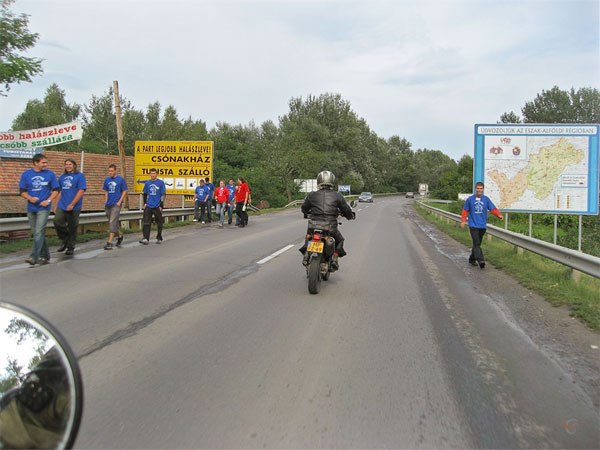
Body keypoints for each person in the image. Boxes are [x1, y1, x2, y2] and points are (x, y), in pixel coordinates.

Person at [299, 170, 354, 270]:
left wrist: (306, 213)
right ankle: (334, 258)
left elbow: (304, 208)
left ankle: (306, 254)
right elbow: (346, 209)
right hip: (330, 226)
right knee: (340, 240)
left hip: (313, 225)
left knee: (308, 237)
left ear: (319, 181)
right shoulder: (338, 195)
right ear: (332, 181)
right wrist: (350, 216)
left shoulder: (311, 195)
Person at [18, 153, 59, 265]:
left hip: (44, 208)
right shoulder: (26, 174)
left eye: (46, 162)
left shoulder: (50, 174)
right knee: (37, 233)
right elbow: (22, 191)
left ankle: (33, 257)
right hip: (31, 208)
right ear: (35, 163)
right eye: (43, 163)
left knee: (38, 232)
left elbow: (56, 190)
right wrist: (30, 198)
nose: (45, 165)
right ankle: (45, 255)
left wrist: (49, 200)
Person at [461, 181, 503, 269]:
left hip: (482, 225)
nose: (479, 190)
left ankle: (472, 259)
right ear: (475, 189)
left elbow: (492, 208)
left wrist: (498, 214)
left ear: (483, 189)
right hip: (473, 225)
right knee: (476, 243)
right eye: (478, 188)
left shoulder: (486, 199)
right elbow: (465, 210)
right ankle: (481, 260)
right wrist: (463, 221)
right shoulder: (470, 199)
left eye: (481, 189)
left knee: (477, 244)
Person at [52, 158, 87, 256]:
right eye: (66, 164)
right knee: (57, 221)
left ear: (74, 165)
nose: (68, 166)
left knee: (72, 226)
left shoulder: (79, 176)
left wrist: (72, 204)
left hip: (74, 206)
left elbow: (81, 191)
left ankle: (70, 246)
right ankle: (65, 240)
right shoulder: (62, 177)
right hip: (62, 204)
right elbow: (59, 192)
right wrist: (55, 205)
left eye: (70, 164)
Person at [102, 164, 128, 250]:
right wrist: (105, 201)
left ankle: (110, 242)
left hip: (116, 204)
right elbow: (106, 191)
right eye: (109, 171)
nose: (110, 172)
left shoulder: (120, 180)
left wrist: (119, 201)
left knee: (112, 221)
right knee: (111, 222)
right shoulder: (107, 180)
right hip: (108, 203)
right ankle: (120, 236)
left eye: (112, 171)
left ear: (115, 171)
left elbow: (124, 191)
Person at [139, 168, 166, 244]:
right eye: (152, 173)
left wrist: (161, 205)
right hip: (149, 204)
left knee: (159, 222)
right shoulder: (147, 183)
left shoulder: (160, 183)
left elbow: (163, 194)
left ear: (156, 174)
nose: (153, 175)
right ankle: (145, 238)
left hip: (157, 205)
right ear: (150, 174)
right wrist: (144, 203)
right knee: (146, 222)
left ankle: (159, 237)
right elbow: (144, 193)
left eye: (154, 173)